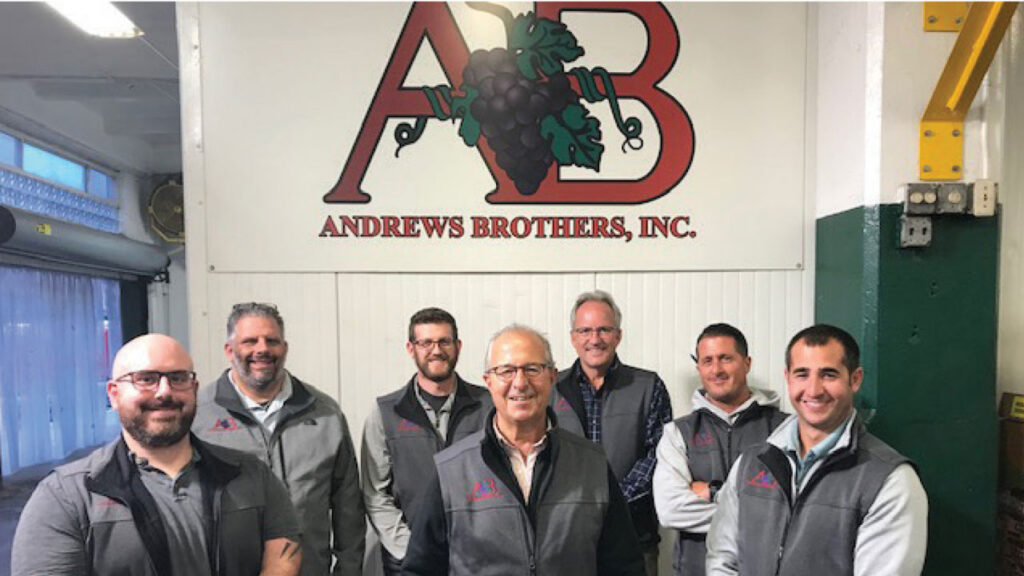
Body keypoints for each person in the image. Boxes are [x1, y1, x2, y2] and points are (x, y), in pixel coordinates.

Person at [11, 333, 302, 576]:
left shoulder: (251, 475)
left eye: (177, 378)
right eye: (145, 379)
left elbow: (283, 556)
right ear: (113, 394)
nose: (164, 392)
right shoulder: (67, 495)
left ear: (195, 389)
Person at [401, 325, 645, 576]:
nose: (520, 383)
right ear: (489, 382)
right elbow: (420, 570)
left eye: (532, 369)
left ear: (552, 377)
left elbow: (624, 566)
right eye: (506, 371)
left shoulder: (591, 464)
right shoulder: (451, 470)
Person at [705, 324, 928, 576]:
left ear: (855, 380)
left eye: (829, 375)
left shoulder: (890, 481)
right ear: (788, 378)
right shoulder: (751, 463)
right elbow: (722, 560)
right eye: (802, 374)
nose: (813, 390)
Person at [192, 302, 364, 576]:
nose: (262, 349)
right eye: (250, 341)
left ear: (284, 348)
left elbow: (349, 508)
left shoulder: (325, 413)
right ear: (229, 350)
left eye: (271, 341)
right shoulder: (199, 416)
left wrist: (349, 570)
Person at [361, 307, 491, 575]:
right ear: (411, 348)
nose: (436, 350)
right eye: (426, 342)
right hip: (408, 562)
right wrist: (412, 550)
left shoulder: (489, 407)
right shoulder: (385, 412)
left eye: (444, 341)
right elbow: (376, 495)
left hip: (477, 560)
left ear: (458, 346)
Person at [551, 290, 673, 575]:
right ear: (573, 337)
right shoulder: (550, 388)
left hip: (634, 539)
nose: (595, 339)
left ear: (618, 335)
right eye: (585, 330)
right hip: (567, 541)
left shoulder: (648, 386)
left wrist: (613, 503)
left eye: (604, 329)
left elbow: (659, 454)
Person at [653, 323, 787, 576]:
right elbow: (671, 511)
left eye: (726, 359)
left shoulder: (785, 429)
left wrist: (712, 492)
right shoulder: (677, 433)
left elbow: (792, 507)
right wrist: (759, 509)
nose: (716, 370)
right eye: (708, 361)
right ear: (699, 368)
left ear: (747, 363)